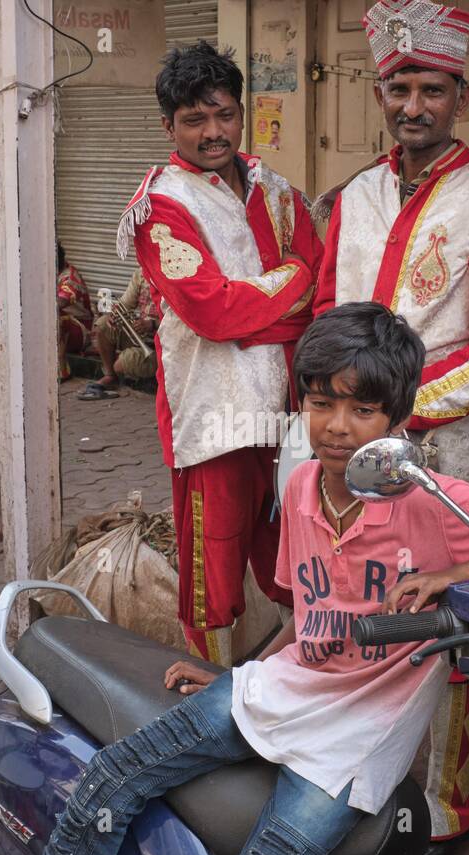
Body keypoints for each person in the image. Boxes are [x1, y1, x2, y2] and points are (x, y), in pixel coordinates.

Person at [41, 302, 469, 855]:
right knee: (110, 778)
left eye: (363, 410)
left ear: (398, 421)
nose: (337, 425)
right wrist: (238, 675)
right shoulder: (303, 484)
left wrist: (452, 574)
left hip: (357, 737)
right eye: (321, 402)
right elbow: (306, 618)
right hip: (281, 689)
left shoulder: (432, 499)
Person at [313, 0, 469, 855]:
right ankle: (351, 773)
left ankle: (451, 799)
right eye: (399, 87)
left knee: (450, 615)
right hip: (345, 439)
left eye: (432, 89)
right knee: (349, 598)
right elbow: (320, 312)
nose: (413, 104)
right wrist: (330, 411)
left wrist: (402, 405)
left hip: (441, 449)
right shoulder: (356, 195)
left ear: (462, 93)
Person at [118, 40, 321, 664]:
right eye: (194, 120)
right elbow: (211, 309)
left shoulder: (277, 190)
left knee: (301, 556)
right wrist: (287, 296)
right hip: (215, 419)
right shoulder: (162, 207)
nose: (214, 132)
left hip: (291, 415)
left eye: (224, 114)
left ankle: (297, 686)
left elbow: (319, 276)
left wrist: (251, 317)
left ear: (242, 112)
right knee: (213, 572)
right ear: (167, 126)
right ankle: (207, 700)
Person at [80, 266, 158, 400]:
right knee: (103, 325)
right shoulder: (141, 273)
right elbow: (126, 304)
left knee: (120, 365)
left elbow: (181, 319)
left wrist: (153, 324)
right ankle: (110, 376)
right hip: (142, 337)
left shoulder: (175, 277)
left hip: (161, 346)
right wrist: (115, 316)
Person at [56, 241, 92, 381]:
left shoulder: (69, 276)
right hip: (61, 323)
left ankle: (62, 370)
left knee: (54, 319)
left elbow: (59, 304)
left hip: (80, 329)